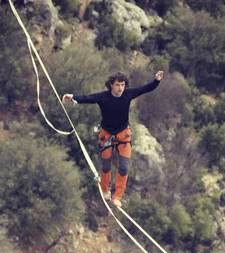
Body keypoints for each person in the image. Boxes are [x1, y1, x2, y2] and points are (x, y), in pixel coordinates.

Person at [62, 70, 164, 207]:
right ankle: (105, 190)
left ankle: (117, 196)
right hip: (107, 134)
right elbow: (88, 98)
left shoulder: (128, 94)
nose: (120, 88)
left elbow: (145, 88)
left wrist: (156, 80)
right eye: (117, 85)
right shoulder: (103, 97)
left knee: (123, 167)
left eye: (122, 85)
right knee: (106, 165)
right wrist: (72, 97)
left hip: (123, 134)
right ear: (111, 85)